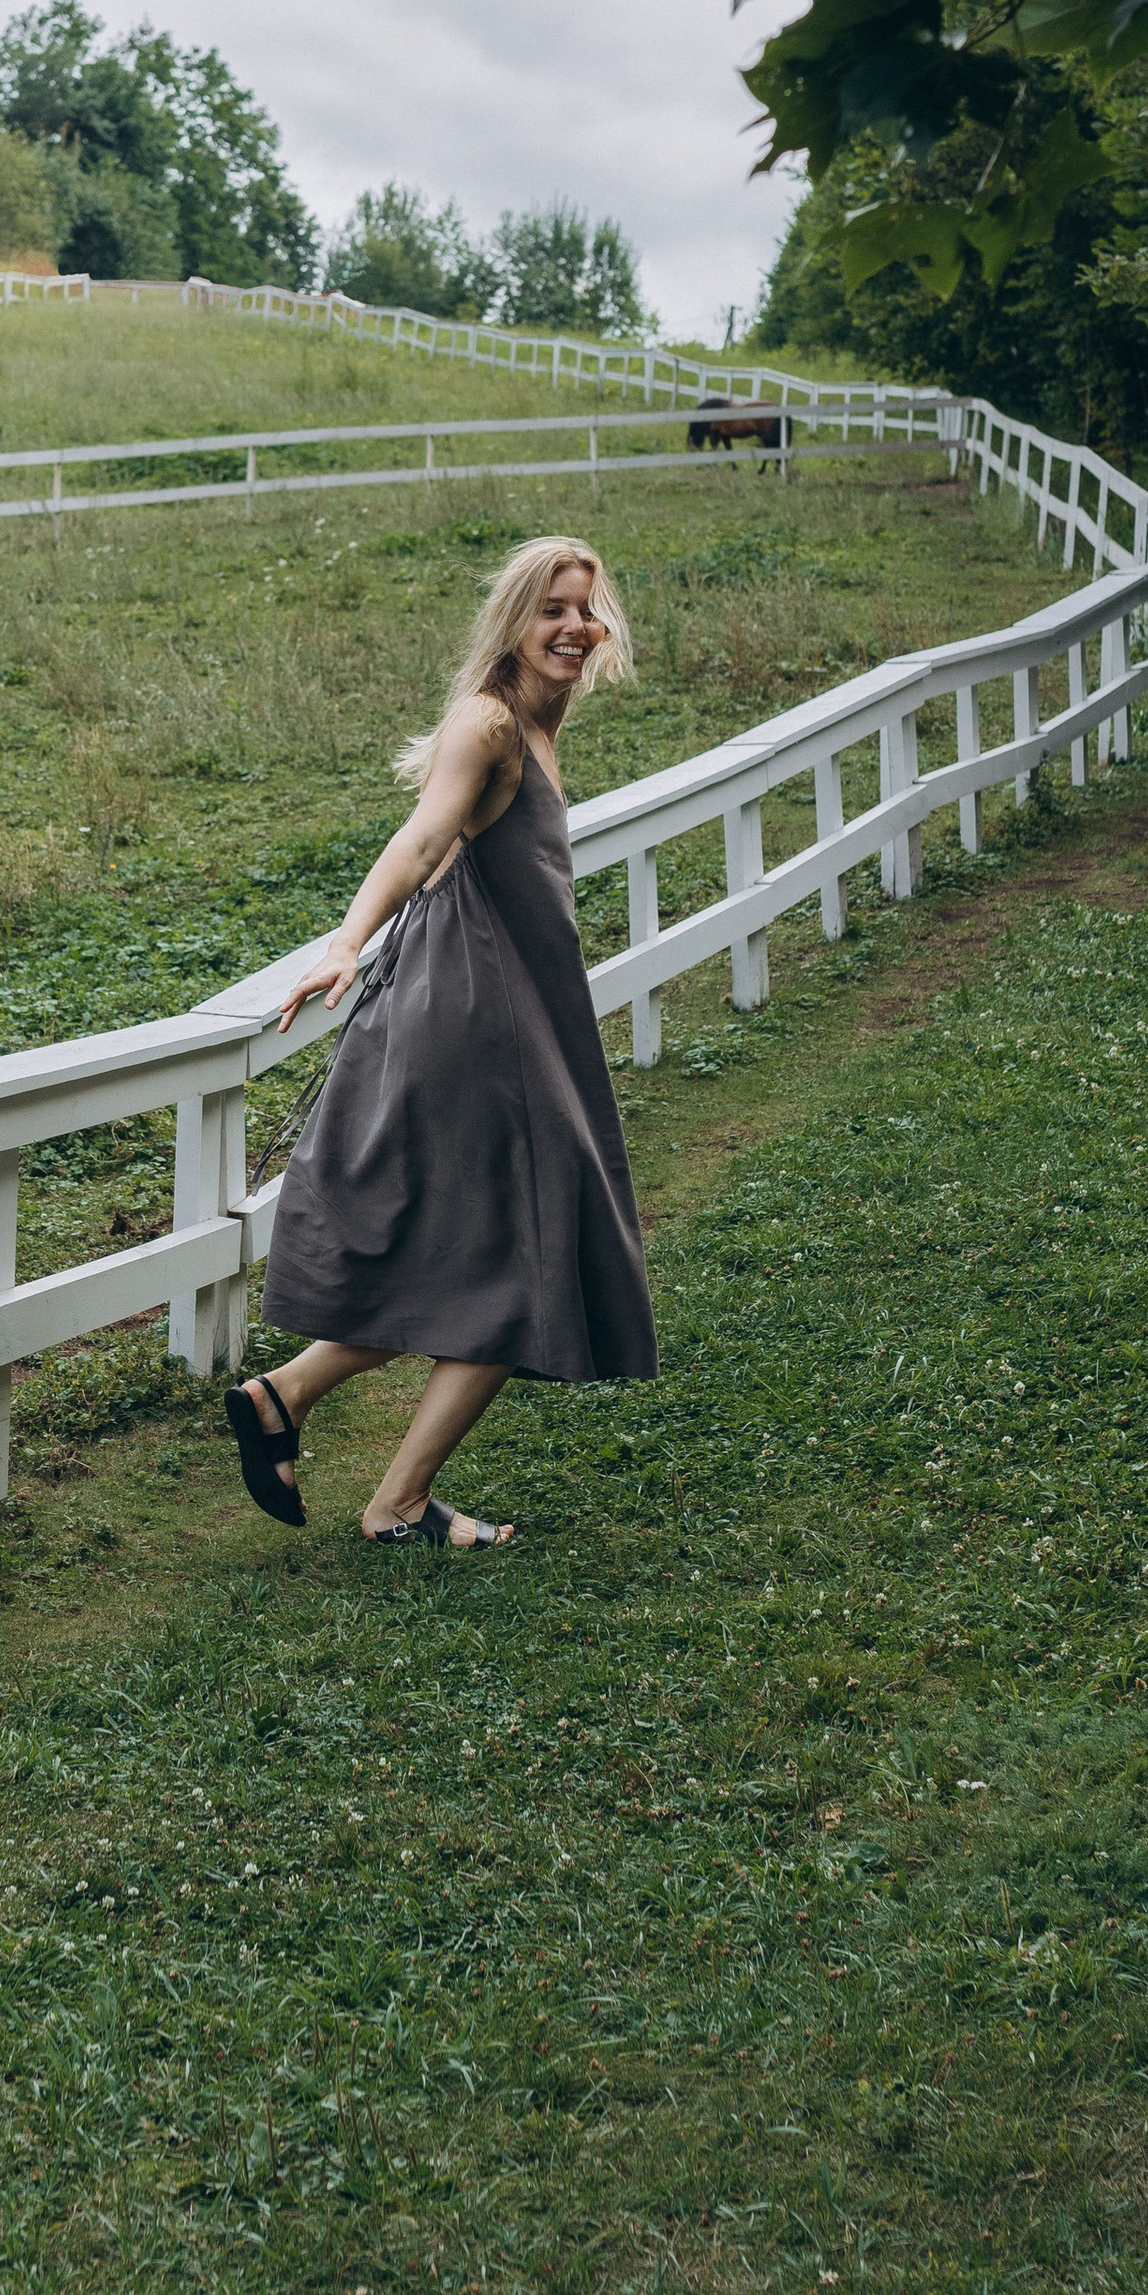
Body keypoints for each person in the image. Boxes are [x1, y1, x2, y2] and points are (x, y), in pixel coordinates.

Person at [226, 532, 657, 1546]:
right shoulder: (488, 722)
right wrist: (344, 940)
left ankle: (284, 1402)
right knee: (526, 1254)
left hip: (505, 1011)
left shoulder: (534, 726)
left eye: (584, 607)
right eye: (552, 607)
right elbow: (421, 837)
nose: (573, 625)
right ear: (514, 619)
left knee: (475, 1250)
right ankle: (396, 1499)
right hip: (480, 1022)